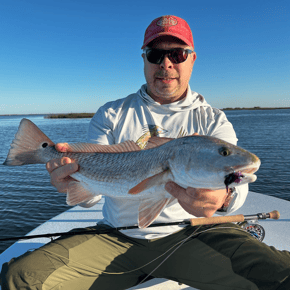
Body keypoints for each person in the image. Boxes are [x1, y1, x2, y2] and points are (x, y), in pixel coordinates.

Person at [1, 15, 290, 290]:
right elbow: (93, 196)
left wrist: (223, 199)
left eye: (177, 54)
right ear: (144, 59)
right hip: (117, 237)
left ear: (192, 59)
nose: (165, 63)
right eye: (155, 54)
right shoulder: (112, 113)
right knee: (20, 279)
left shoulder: (212, 120)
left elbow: (237, 187)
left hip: (195, 233)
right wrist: (70, 183)